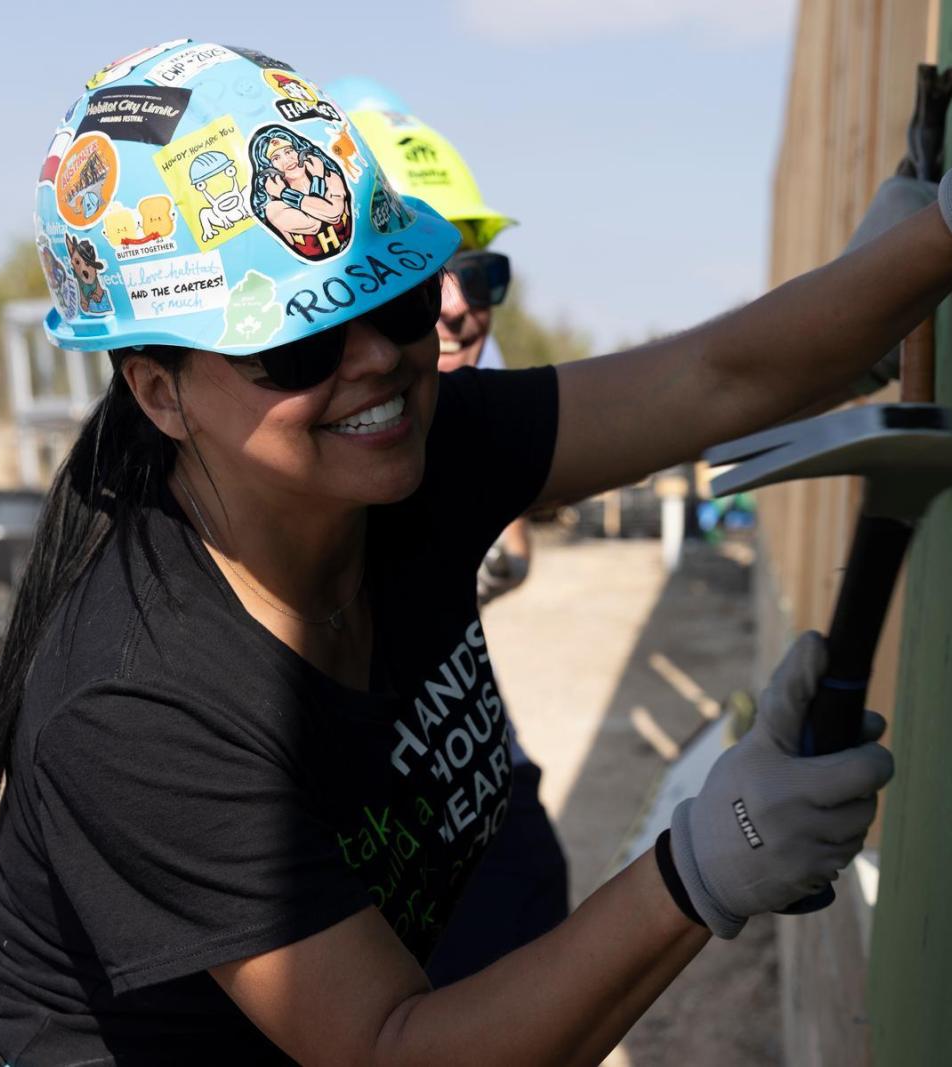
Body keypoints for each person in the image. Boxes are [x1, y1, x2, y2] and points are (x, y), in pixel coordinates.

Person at [0, 16, 952, 1064]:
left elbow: (716, 376)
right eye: (297, 344)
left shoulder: (409, 460)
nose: (376, 360)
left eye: (398, 300)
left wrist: (946, 231)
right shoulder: (138, 698)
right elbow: (387, 1049)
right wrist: (704, 862)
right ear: (156, 390)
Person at [327, 79, 562, 988]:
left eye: (482, 273)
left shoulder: (452, 376)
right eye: (430, 272)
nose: (462, 305)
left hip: (478, 796)